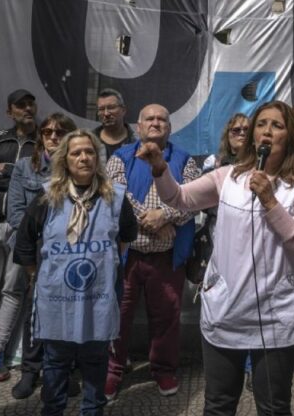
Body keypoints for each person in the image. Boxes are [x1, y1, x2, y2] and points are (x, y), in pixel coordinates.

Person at [136, 100, 294, 416]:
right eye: (261, 124)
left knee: (274, 407)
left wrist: (270, 201)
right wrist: (159, 170)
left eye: (277, 125)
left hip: (278, 314)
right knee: (219, 405)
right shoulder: (227, 177)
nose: (266, 131)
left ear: (290, 136)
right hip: (227, 310)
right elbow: (178, 198)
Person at [13, 130, 137, 416]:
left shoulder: (116, 198)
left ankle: (92, 410)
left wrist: (103, 261)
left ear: (98, 157)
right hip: (56, 299)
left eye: (90, 152)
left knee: (95, 362)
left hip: (98, 297)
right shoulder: (47, 198)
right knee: (55, 364)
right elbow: (24, 241)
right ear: (64, 160)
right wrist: (37, 275)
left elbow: (127, 234)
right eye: (76, 153)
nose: (84, 157)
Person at [104, 104, 200, 399]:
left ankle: (163, 370)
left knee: (167, 317)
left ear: (170, 127)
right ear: (138, 126)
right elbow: (116, 197)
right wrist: (153, 220)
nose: (156, 123)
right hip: (127, 256)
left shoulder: (185, 161)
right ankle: (113, 370)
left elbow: (194, 199)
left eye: (162, 119)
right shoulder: (120, 158)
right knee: (117, 315)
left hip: (166, 257)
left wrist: (166, 216)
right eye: (150, 119)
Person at [0, 114, 77, 394]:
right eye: (47, 131)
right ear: (40, 136)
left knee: (72, 312)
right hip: (39, 252)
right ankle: (30, 370)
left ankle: (67, 371)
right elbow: (16, 214)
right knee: (36, 312)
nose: (53, 137)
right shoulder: (25, 167)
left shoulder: (79, 167)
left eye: (59, 132)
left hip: (72, 252)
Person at [0, 88, 38, 373]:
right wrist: (22, 176)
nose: (27, 109)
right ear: (9, 111)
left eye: (30, 105)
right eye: (20, 105)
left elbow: (40, 183)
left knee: (14, 289)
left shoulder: (42, 142)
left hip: (22, 228)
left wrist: (9, 170)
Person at [94, 88, 136, 159]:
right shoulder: (90, 140)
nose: (106, 113)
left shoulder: (136, 141)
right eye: (101, 109)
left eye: (111, 108)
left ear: (123, 110)